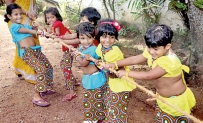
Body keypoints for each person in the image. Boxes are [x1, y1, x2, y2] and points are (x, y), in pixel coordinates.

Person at [109, 24, 196, 122]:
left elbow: (149, 75)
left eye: (155, 49)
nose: (151, 51)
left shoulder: (170, 62)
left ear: (167, 46)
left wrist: (126, 73)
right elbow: (135, 59)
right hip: (163, 99)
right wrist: (115, 64)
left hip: (175, 102)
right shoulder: (154, 50)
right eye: (149, 47)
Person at [4, 3, 54, 107]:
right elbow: (28, 31)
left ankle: (44, 88)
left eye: (20, 14)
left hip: (36, 50)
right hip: (27, 52)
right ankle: (36, 96)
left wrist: (41, 29)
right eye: (15, 14)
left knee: (48, 67)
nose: (19, 16)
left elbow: (33, 30)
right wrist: (37, 32)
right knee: (41, 69)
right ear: (9, 16)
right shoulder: (13, 26)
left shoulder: (24, 25)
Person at [52, 7, 101, 101]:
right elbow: (73, 35)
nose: (80, 21)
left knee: (95, 71)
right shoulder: (84, 30)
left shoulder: (89, 33)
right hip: (85, 54)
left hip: (91, 55)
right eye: (81, 19)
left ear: (92, 22)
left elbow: (76, 39)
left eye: (83, 20)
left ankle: (75, 91)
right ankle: (85, 87)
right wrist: (59, 37)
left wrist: (60, 39)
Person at [94, 18, 136, 122]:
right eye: (104, 36)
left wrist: (103, 67)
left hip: (121, 85)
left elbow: (117, 73)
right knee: (110, 104)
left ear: (115, 38)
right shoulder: (100, 47)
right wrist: (98, 62)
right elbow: (100, 59)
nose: (107, 40)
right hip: (113, 84)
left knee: (117, 109)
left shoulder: (115, 52)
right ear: (99, 36)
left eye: (111, 37)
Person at [73, 22, 106, 123]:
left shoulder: (92, 49)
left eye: (89, 38)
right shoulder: (82, 48)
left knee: (94, 100)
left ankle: (92, 119)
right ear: (78, 38)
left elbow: (83, 64)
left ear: (94, 37)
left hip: (95, 80)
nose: (86, 41)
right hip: (90, 79)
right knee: (93, 99)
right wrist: (76, 52)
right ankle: (96, 117)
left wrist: (77, 56)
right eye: (82, 38)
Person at [6, 0, 39, 84]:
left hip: (29, 17)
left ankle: (33, 76)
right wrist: (25, 13)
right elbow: (9, 5)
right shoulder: (15, 25)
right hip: (21, 16)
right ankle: (33, 77)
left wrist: (34, 12)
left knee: (32, 41)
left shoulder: (25, 26)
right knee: (23, 43)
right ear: (9, 16)